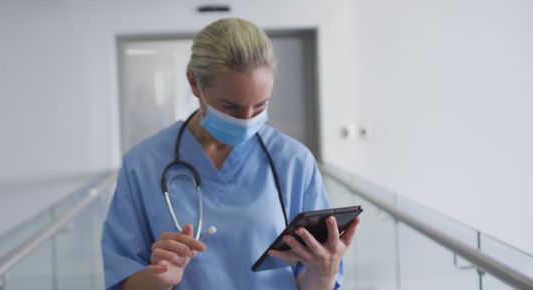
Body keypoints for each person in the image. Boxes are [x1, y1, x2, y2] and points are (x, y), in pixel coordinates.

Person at [101, 17, 359, 290]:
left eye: (260, 107)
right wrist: (158, 279)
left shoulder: (294, 162)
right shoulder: (142, 165)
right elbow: (123, 280)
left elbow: (313, 282)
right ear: (193, 83)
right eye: (231, 108)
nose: (246, 120)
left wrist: (324, 272)